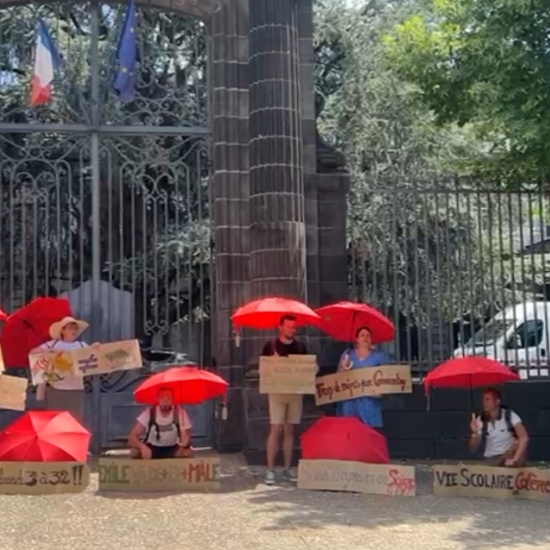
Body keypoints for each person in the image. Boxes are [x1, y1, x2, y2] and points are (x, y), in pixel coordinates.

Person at [261, 315, 308, 485]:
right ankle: (270, 469)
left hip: (295, 393)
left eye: (294, 327)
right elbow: (263, 370)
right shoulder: (270, 346)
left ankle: (287, 469)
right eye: (288, 326)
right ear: (280, 327)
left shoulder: (300, 347)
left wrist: (313, 368)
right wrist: (271, 363)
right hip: (277, 392)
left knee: (290, 430)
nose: (292, 330)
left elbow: (307, 368)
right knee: (276, 428)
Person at [36, 316, 96, 424]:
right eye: (70, 328)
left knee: (74, 421)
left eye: (75, 328)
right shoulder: (53, 344)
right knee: (55, 421)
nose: (73, 330)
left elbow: (94, 356)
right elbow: (34, 352)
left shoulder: (81, 345)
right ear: (63, 330)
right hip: (56, 389)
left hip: (76, 390)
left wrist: (96, 347)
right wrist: (51, 351)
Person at [336, 326, 391, 429]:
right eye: (362, 335)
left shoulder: (380, 357)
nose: (365, 338)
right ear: (357, 339)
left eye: (368, 335)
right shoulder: (347, 355)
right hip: (350, 404)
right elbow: (337, 380)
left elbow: (387, 379)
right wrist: (343, 367)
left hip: (370, 404)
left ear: (371, 340)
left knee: (369, 433)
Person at [469, 387, 529, 467]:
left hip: (509, 455)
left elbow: (524, 438)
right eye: (483, 400)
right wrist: (474, 433)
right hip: (492, 458)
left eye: (488, 400)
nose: (484, 403)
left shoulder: (509, 415)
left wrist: (515, 459)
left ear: (497, 401)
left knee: (517, 444)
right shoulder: (481, 420)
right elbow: (473, 448)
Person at [129, 387, 193, 459]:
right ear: (157, 400)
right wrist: (142, 447)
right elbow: (132, 437)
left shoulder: (180, 413)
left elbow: (187, 435)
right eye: (162, 398)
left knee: (187, 453)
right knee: (134, 452)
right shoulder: (149, 412)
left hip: (173, 447)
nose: (165, 401)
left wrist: (182, 446)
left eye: (168, 398)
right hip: (152, 447)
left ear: (173, 400)